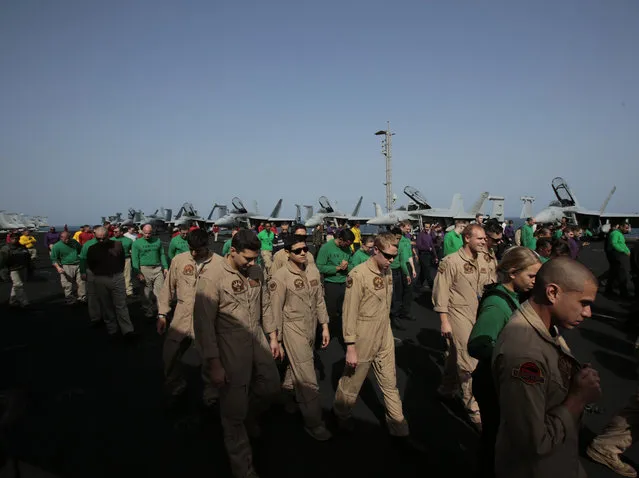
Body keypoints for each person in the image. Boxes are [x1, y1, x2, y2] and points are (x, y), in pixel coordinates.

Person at [492, 257, 600, 478]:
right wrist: (578, 398)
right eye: (584, 303)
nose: (588, 313)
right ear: (552, 293)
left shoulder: (544, 325)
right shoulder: (524, 355)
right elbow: (533, 443)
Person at [194, 230, 281, 478]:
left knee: (272, 385)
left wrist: (273, 336)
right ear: (232, 251)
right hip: (228, 340)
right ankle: (244, 469)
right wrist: (214, 364)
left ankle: (248, 415)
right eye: (247, 259)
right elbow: (204, 325)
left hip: (256, 336)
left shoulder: (256, 271)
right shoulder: (212, 277)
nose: (253, 263)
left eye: (255, 258)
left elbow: (265, 304)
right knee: (233, 412)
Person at [468, 247, 542, 478]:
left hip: (502, 381)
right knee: (494, 440)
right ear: (512, 273)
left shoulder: (516, 296)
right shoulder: (497, 305)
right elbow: (477, 345)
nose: (535, 281)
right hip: (492, 383)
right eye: (531, 276)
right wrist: (514, 358)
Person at [333, 233, 412, 443]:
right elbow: (349, 313)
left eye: (394, 257)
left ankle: (399, 427)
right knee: (352, 382)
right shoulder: (357, 275)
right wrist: (350, 346)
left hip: (383, 331)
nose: (392, 261)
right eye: (388, 256)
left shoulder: (386, 272)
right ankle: (341, 414)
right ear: (375, 250)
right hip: (363, 334)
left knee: (389, 382)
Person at [268, 235, 331, 441]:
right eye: (298, 250)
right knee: (307, 376)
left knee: (292, 368)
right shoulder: (280, 277)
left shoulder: (312, 270)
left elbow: (320, 300)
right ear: (287, 253)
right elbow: (275, 311)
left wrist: (325, 326)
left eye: (305, 248)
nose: (303, 252)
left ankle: (284, 397)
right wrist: (275, 339)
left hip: (311, 326)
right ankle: (314, 423)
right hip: (292, 328)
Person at [432, 224, 494, 428]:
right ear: (467, 238)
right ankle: (473, 407)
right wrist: (444, 321)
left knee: (453, 354)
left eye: (485, 238)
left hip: (481, 314)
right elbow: (441, 292)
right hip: (458, 314)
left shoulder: (487, 258)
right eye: (480, 238)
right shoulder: (450, 262)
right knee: (469, 362)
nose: (484, 241)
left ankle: (447, 388)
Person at [157, 229, 221, 408]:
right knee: (170, 352)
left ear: (207, 246)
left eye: (198, 250)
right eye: (191, 249)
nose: (194, 253)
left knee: (209, 356)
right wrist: (162, 314)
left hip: (208, 318)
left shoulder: (220, 264)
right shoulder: (179, 260)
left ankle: (211, 393)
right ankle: (175, 383)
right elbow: (167, 288)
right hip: (182, 315)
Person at [86, 227, 136, 339]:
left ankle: (127, 330)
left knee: (121, 305)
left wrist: (117, 272)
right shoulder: (92, 249)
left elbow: (122, 260)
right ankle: (112, 330)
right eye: (98, 238)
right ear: (95, 236)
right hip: (101, 278)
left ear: (108, 236)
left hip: (116, 276)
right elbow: (90, 264)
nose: (101, 241)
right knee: (106, 305)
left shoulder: (117, 245)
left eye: (103, 238)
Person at [315, 228, 354, 344]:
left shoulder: (347, 248)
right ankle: (324, 335)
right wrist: (336, 268)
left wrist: (347, 267)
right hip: (331, 283)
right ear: (340, 239)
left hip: (345, 283)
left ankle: (343, 336)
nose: (348, 246)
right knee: (330, 312)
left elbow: (353, 265)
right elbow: (319, 266)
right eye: (347, 244)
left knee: (345, 311)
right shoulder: (326, 248)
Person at [131, 224, 168, 318]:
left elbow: (162, 254)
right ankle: (148, 310)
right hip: (144, 269)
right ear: (142, 232)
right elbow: (134, 259)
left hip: (157, 268)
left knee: (160, 292)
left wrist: (165, 267)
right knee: (146, 293)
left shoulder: (158, 241)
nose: (147, 235)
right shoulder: (136, 243)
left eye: (149, 233)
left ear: (152, 232)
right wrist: (138, 273)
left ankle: (161, 312)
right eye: (145, 233)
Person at [50, 231, 86, 305]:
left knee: (82, 282)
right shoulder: (57, 246)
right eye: (65, 239)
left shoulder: (74, 242)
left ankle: (82, 297)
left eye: (69, 238)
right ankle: (70, 299)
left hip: (77, 264)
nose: (67, 240)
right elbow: (53, 259)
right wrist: (58, 268)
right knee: (67, 284)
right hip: (66, 266)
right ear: (61, 238)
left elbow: (81, 250)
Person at [0, 232, 31, 307]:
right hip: (12, 269)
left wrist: (30, 266)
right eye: (13, 238)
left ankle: (12, 301)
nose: (15, 240)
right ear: (10, 239)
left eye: (16, 238)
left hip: (21, 268)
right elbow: (2, 261)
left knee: (16, 285)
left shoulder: (22, 247)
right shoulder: (5, 248)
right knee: (18, 285)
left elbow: (27, 257)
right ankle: (24, 302)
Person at [111, 226, 134, 296]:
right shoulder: (110, 240)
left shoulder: (129, 240)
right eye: (114, 231)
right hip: (114, 260)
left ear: (121, 232)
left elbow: (133, 252)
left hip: (126, 259)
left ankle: (129, 292)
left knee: (127, 276)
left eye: (116, 232)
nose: (114, 233)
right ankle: (115, 291)